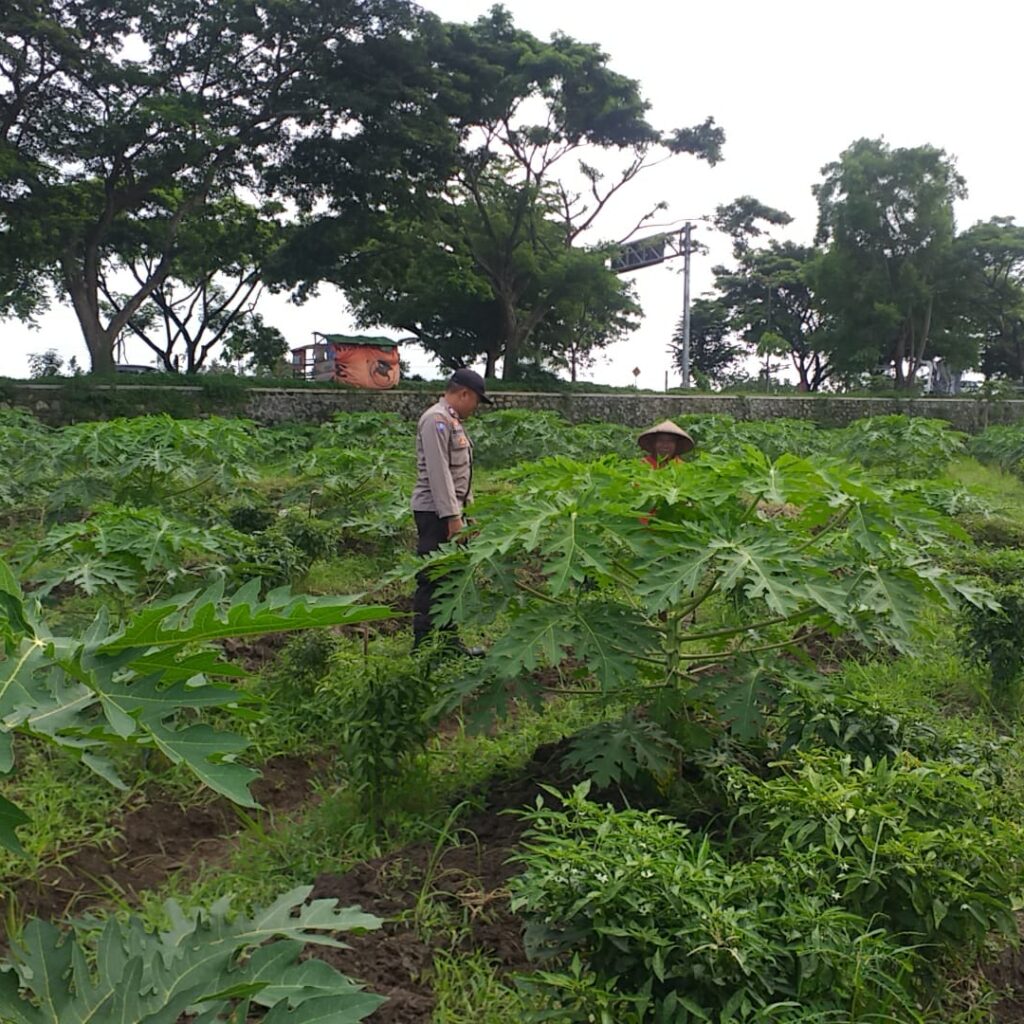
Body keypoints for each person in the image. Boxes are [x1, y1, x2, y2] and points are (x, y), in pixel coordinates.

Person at [411, 368, 492, 653]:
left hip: (451, 511)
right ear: (463, 394)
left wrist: (469, 514)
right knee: (433, 577)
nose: (476, 407)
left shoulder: (451, 421)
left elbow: (460, 477)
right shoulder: (436, 420)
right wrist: (452, 518)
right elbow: (439, 474)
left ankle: (448, 644)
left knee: (451, 579)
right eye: (477, 401)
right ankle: (422, 647)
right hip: (436, 513)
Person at [637, 421, 695, 527]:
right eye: (661, 441)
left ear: (676, 445)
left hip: (674, 525)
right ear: (654, 444)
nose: (665, 445)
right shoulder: (641, 466)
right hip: (644, 524)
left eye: (670, 442)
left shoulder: (684, 468)